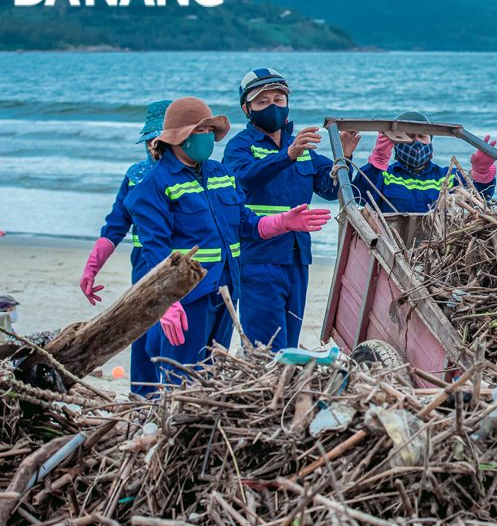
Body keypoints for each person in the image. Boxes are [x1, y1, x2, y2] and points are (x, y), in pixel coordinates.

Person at [125, 97, 331, 382]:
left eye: (210, 130)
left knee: (212, 373)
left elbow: (244, 223)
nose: (208, 137)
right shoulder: (154, 185)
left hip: (226, 289)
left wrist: (283, 222)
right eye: (200, 131)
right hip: (189, 295)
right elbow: (155, 252)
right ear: (179, 138)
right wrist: (167, 303)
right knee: (182, 375)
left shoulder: (219, 173)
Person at [222, 68, 357, 351]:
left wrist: (343, 157)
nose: (273, 106)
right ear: (247, 109)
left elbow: (331, 190)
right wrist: (288, 155)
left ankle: (282, 394)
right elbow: (246, 178)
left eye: (279, 99)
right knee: (266, 346)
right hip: (258, 257)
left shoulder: (303, 149)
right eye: (263, 102)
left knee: (290, 345)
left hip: (297, 257)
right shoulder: (239, 147)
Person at [78, 100, 170, 396]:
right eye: (150, 141)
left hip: (186, 264)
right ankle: (143, 404)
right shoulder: (136, 175)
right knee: (142, 334)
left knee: (170, 337)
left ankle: (174, 399)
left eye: (160, 139)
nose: (154, 147)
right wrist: (91, 270)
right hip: (144, 263)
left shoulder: (198, 173)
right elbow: (115, 226)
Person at [353, 111, 497, 213]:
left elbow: (478, 200)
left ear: (431, 145)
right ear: (396, 144)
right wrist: (378, 161)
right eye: (409, 136)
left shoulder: (448, 176)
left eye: (422, 136)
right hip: (393, 248)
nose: (416, 142)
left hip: (438, 249)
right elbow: (360, 197)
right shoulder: (385, 176)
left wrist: (482, 174)